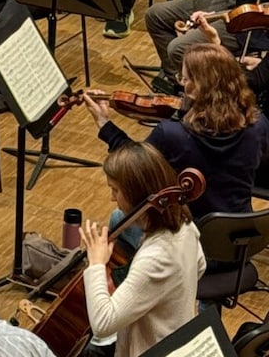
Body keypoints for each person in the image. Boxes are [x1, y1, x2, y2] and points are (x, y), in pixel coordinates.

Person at [82, 42, 269, 221]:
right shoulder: (259, 125)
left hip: (187, 235)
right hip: (239, 231)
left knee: (118, 218)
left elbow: (132, 166)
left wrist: (103, 122)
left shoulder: (172, 135)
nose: (181, 84)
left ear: (198, 87)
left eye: (185, 78)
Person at [80, 142, 206, 357]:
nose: (112, 198)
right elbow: (200, 265)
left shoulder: (156, 257)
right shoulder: (185, 225)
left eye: (115, 190)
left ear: (136, 193)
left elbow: (103, 323)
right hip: (177, 335)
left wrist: (96, 264)